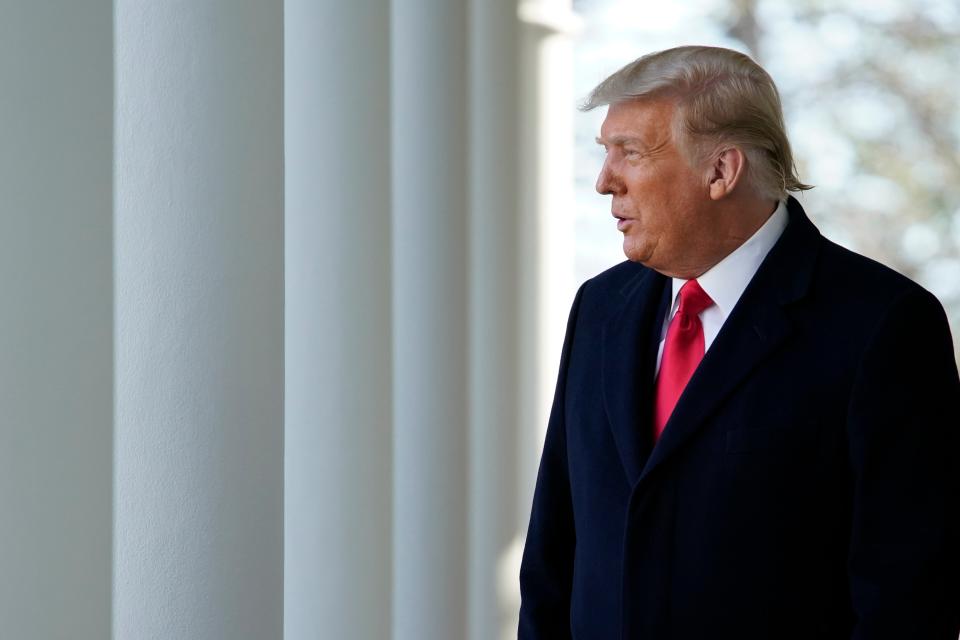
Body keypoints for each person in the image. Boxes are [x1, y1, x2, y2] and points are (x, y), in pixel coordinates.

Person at [518, 45, 960, 639]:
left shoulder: (883, 324)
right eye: (605, 153)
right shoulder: (599, 309)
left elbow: (905, 601)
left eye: (629, 153)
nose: (603, 182)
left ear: (721, 171)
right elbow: (553, 554)